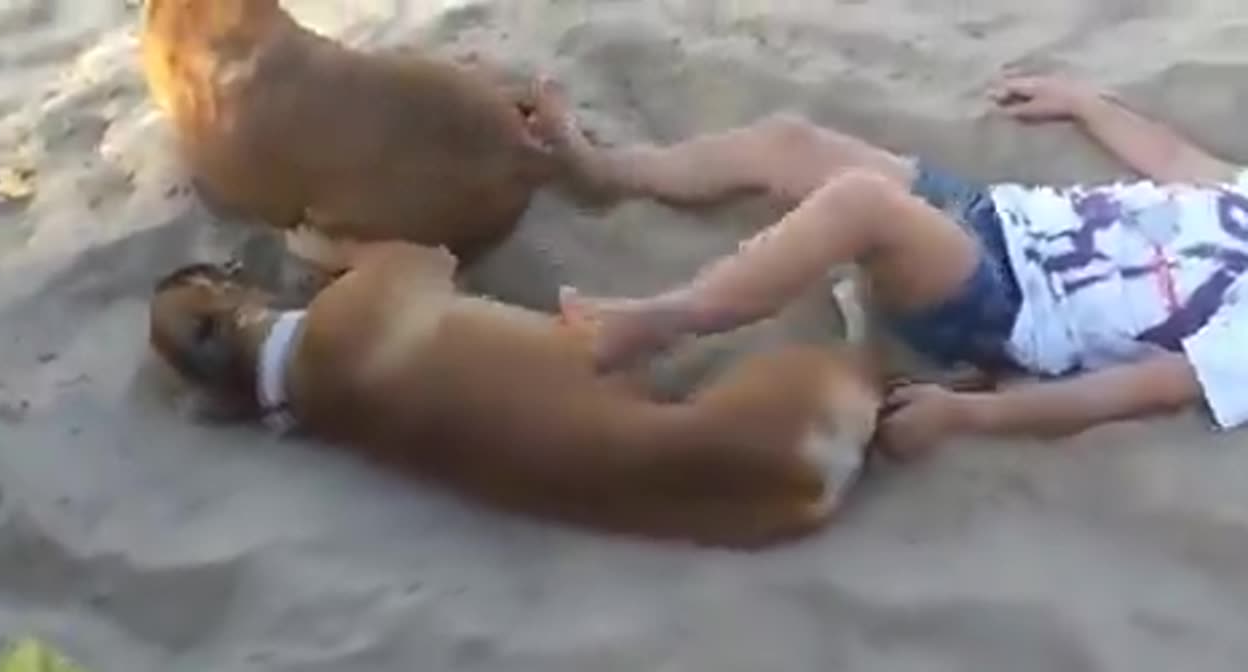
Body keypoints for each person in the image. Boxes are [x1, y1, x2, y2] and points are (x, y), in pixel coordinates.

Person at [526, 73, 1248, 460]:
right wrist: (1088, 104)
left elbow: (1143, 390)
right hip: (996, 213)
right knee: (791, 142)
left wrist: (974, 415)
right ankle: (612, 174)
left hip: (1008, 305)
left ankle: (663, 321)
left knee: (860, 206)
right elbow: (1179, 162)